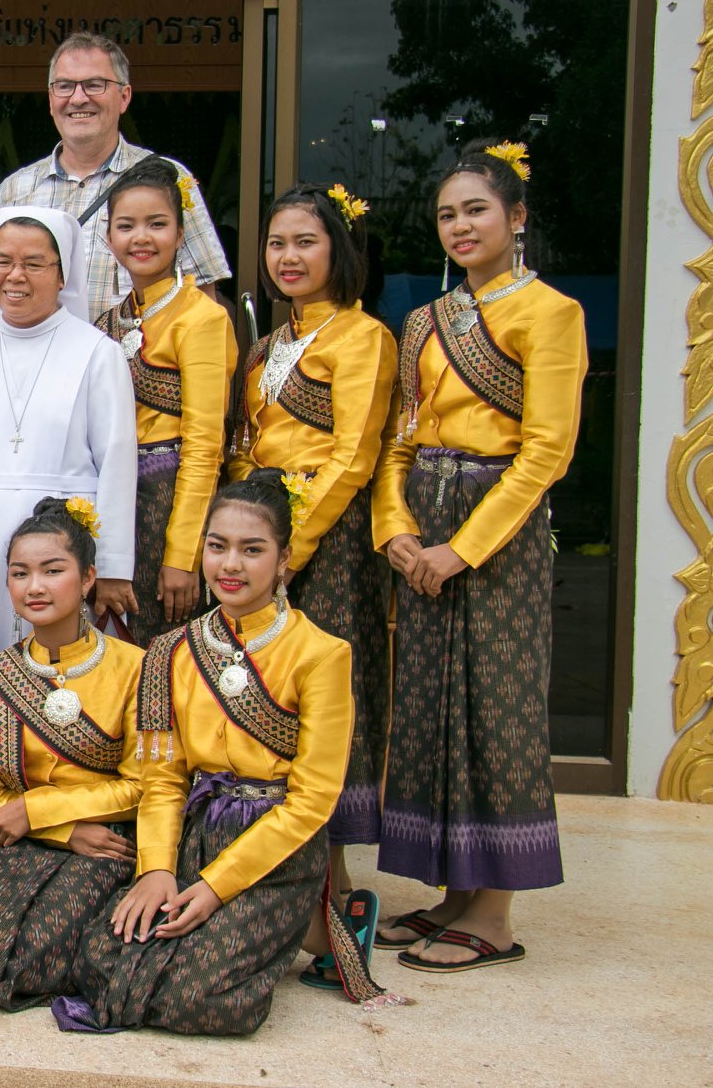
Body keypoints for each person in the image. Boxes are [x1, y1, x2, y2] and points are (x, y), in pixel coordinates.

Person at [53, 472, 396, 1037]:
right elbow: (163, 780)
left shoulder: (321, 655)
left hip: (276, 844)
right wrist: (158, 869)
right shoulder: (169, 652)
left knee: (200, 997)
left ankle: (321, 920)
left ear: (285, 559)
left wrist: (215, 888)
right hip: (195, 832)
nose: (230, 565)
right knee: (99, 962)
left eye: (252, 550)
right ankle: (315, 926)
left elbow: (312, 801)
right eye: (217, 547)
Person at [374, 142, 584, 972]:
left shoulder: (549, 312)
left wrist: (460, 549)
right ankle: (453, 893)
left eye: (476, 210)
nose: (459, 226)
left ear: (516, 218)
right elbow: (397, 439)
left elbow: (546, 452)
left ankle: (494, 912)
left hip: (495, 534)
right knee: (429, 704)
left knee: (492, 707)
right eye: (446, 215)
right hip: (422, 523)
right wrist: (394, 530)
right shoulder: (424, 321)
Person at [229, 181, 396, 921]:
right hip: (260, 535)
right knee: (261, 690)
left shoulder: (362, 337)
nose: (287, 256)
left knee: (319, 693)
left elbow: (354, 452)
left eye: (305, 241)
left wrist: (292, 543)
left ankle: (331, 877)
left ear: (338, 250)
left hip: (321, 543)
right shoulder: (269, 344)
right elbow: (244, 447)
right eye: (276, 243)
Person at [0, 498, 142, 1009]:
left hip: (106, 837)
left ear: (87, 579)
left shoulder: (136, 668)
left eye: (52, 571)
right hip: (22, 835)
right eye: (20, 573)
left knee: (35, 954)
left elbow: (145, 783)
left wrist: (41, 810)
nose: (34, 586)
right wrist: (50, 825)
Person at [0, 206, 137, 649]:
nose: (15, 276)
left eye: (33, 264)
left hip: (67, 545)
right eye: (2, 261)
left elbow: (117, 462)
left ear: (62, 274)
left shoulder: (98, 352)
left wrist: (112, 565)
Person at [0, 32, 230, 319]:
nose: (78, 98)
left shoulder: (167, 178)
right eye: (64, 86)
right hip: (39, 362)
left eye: (93, 85)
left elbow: (204, 298)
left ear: (124, 97)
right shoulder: (14, 191)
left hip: (137, 362)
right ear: (51, 101)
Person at [94, 157, 237, 646]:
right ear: (107, 238)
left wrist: (183, 554)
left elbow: (204, 444)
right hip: (113, 501)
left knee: (164, 648)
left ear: (181, 235)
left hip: (168, 501)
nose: (141, 238)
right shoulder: (110, 322)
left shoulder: (201, 319)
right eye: (126, 225)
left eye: (157, 224)